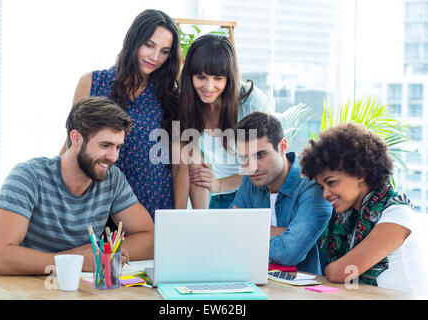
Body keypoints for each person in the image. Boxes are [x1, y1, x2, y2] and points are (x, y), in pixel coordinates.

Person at [0, 97, 154, 275]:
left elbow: (149, 238)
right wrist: (75, 261)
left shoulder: (112, 179)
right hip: (30, 289)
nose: (113, 157)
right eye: (105, 145)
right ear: (76, 138)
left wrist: (107, 254)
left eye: (118, 147)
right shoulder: (28, 177)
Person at [60, 9, 181, 222]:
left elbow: (179, 162)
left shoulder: (170, 95)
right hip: (96, 203)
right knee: (94, 255)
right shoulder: (92, 83)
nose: (155, 57)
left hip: (153, 206)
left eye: (164, 51)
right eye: (149, 45)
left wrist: (179, 219)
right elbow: (71, 143)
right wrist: (52, 187)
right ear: (134, 40)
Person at [299, 122, 428, 294]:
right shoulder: (348, 218)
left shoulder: (398, 214)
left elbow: (339, 272)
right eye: (322, 187)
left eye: (331, 183)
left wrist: (331, 269)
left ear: (360, 173)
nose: (325, 194)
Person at [174, 34, 275, 209]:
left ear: (229, 78)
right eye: (201, 77)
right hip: (214, 196)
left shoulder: (252, 104)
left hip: (256, 193)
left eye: (218, 78)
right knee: (188, 153)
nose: (208, 86)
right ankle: (200, 222)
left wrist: (220, 184)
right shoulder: (187, 104)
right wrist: (180, 218)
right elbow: (186, 167)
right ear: (190, 75)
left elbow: (269, 166)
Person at [231, 111, 332, 275]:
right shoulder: (250, 180)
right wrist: (283, 232)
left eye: (260, 155)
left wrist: (249, 232)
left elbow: (288, 253)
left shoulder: (312, 185)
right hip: (255, 281)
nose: (252, 167)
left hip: (304, 291)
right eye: (244, 158)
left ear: (283, 147)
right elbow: (228, 233)